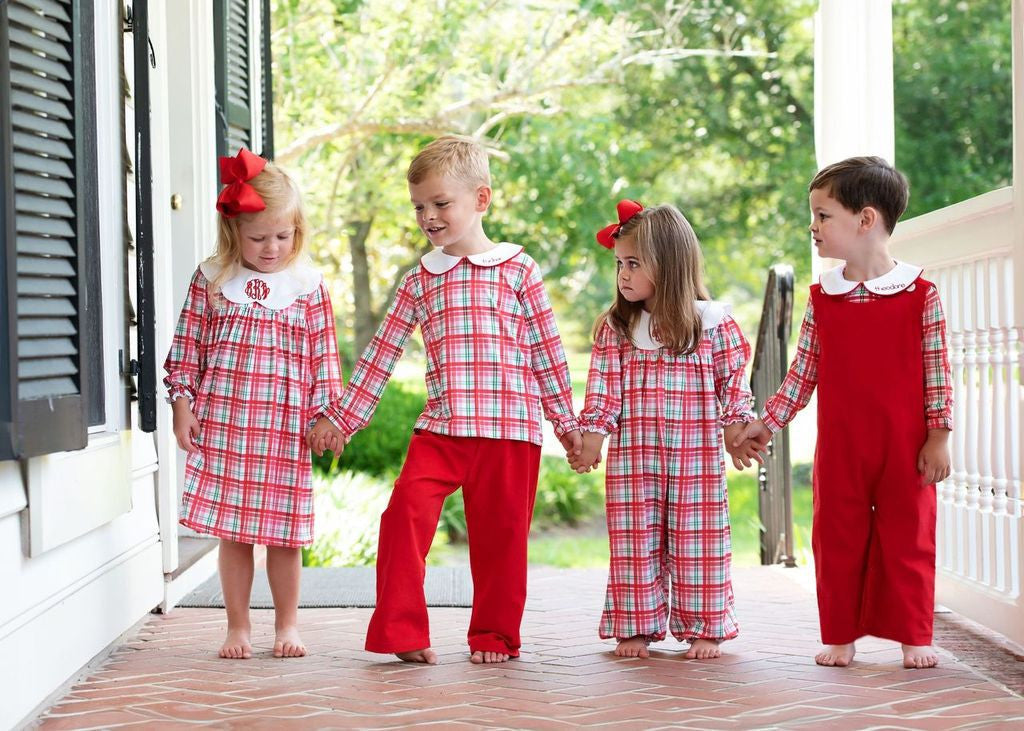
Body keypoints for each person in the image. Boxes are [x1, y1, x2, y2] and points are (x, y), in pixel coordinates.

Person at [314, 135, 582, 665]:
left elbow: (548, 354)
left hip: (510, 430)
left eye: (441, 203)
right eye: (419, 206)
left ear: (481, 200)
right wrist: (342, 419)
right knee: (401, 520)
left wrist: (566, 425)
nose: (428, 216)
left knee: (501, 542)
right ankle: (401, 632)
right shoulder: (421, 280)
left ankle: (494, 636)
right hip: (442, 430)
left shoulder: (519, 270)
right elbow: (381, 355)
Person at [732, 156, 953, 669]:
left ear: (865, 219)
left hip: (906, 447)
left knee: (909, 537)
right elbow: (801, 375)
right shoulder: (822, 299)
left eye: (822, 215)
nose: (813, 227)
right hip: (841, 449)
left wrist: (938, 435)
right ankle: (840, 633)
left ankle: (913, 634)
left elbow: (937, 372)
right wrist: (766, 422)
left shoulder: (921, 294)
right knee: (837, 537)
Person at [164, 147, 344, 660]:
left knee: (285, 537)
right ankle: (237, 627)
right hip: (227, 426)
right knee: (235, 534)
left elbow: (324, 359)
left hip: (285, 430)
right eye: (258, 237)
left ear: (298, 231)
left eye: (282, 237)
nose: (271, 248)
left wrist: (327, 417)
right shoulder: (214, 280)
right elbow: (187, 350)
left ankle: (287, 625)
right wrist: (183, 404)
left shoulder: (307, 286)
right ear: (233, 234)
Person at [569, 200, 759, 660]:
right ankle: (636, 624)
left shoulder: (712, 326)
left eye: (634, 264)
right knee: (635, 541)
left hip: (694, 461)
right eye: (619, 264)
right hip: (635, 460)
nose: (623, 275)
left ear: (670, 265)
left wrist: (737, 431)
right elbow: (602, 392)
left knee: (700, 542)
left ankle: (704, 626)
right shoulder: (618, 328)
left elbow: (733, 388)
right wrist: (592, 434)